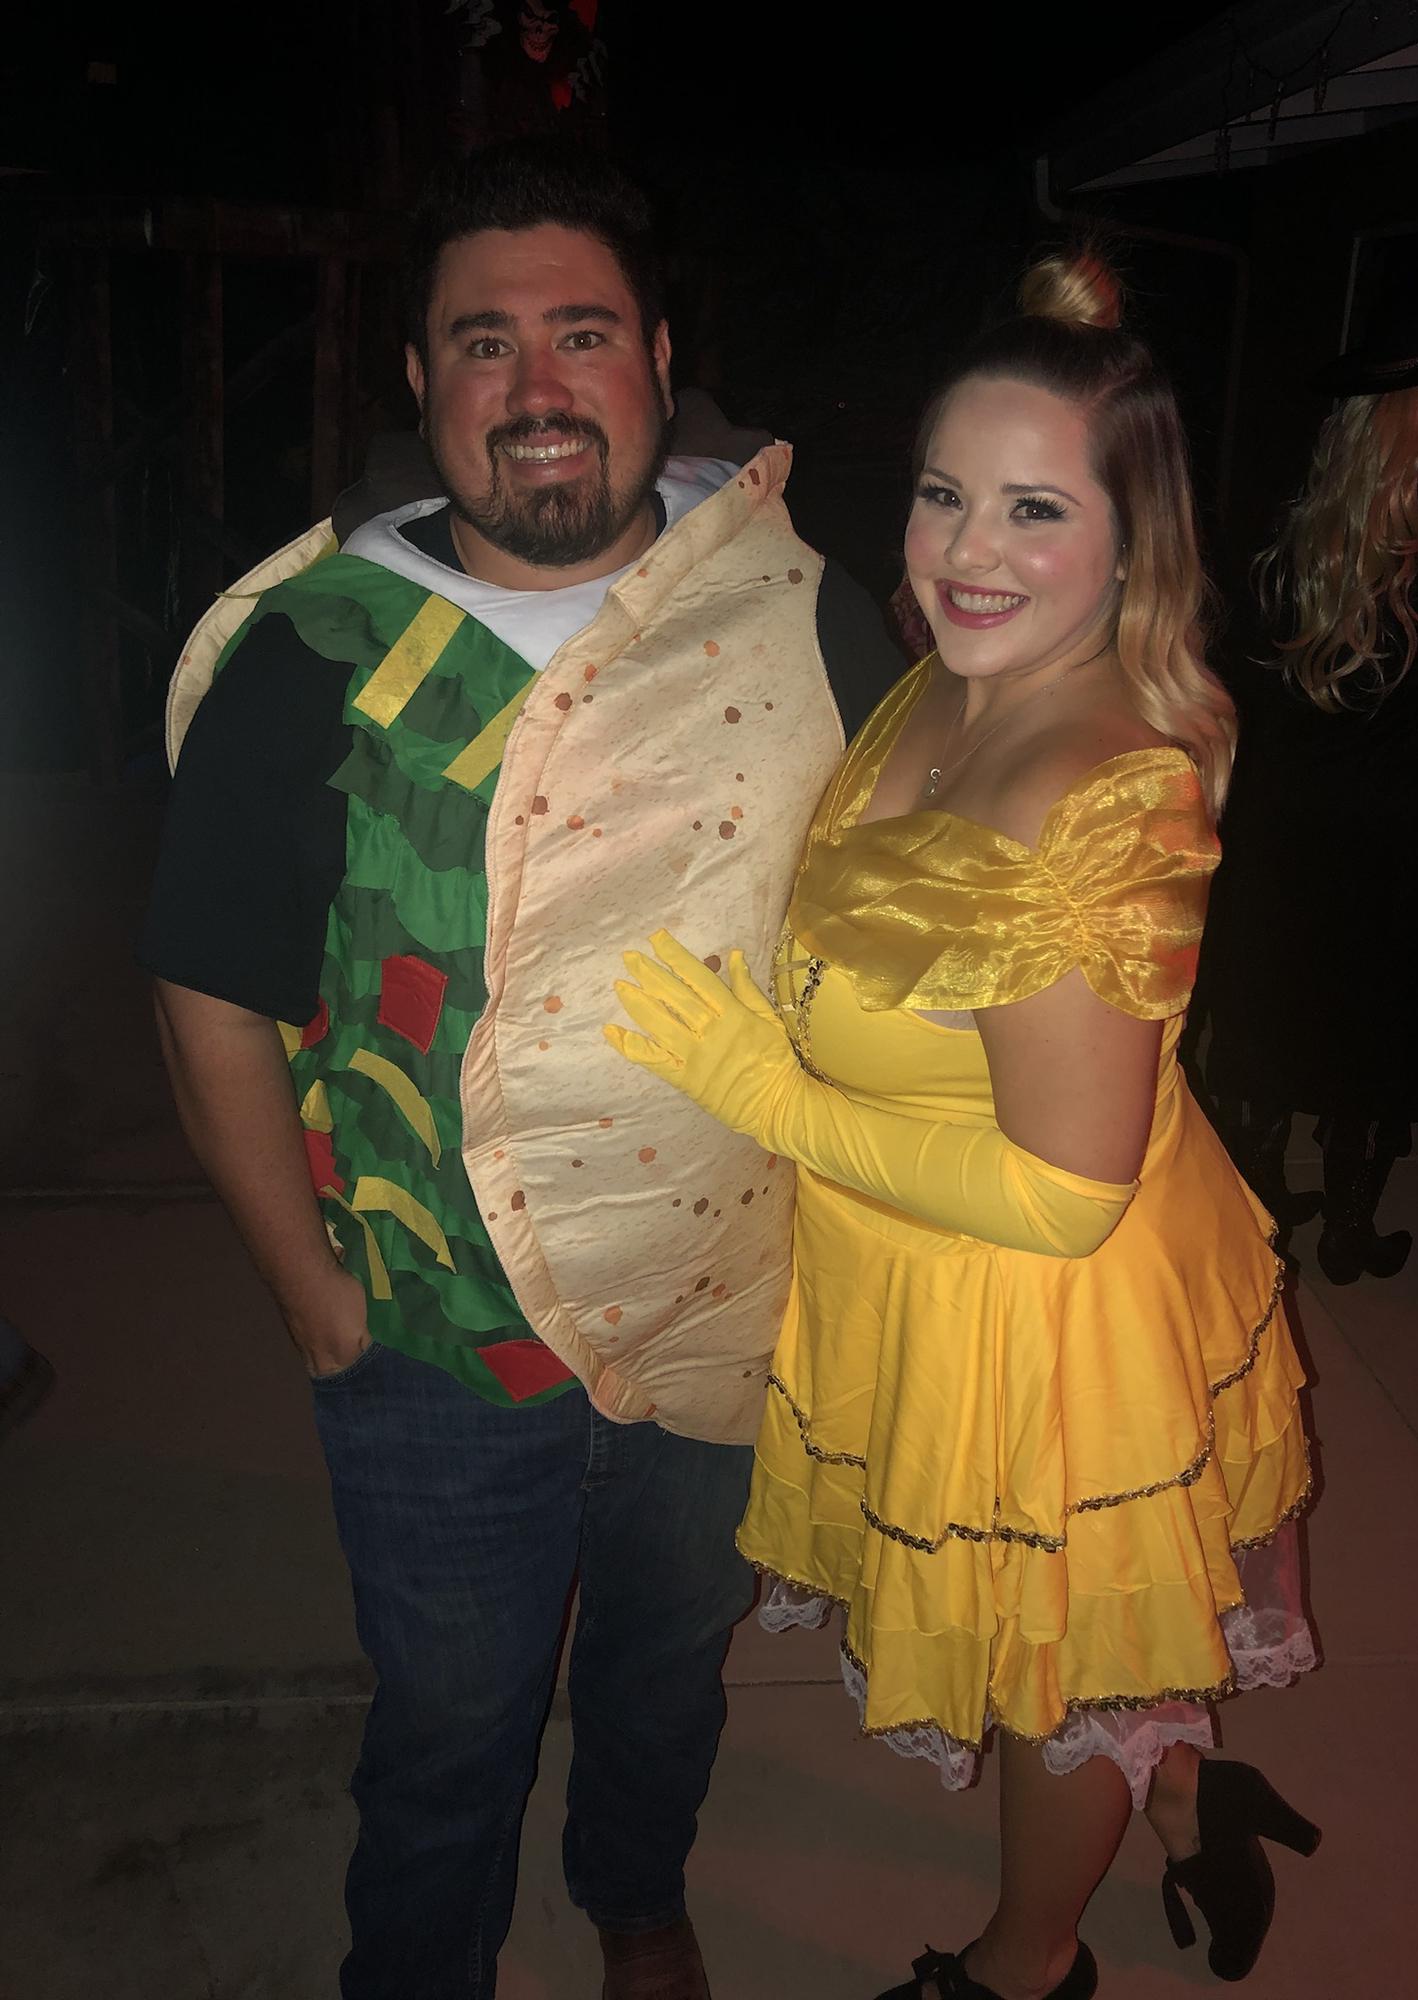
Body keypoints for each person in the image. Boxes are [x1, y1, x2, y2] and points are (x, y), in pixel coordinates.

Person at [139, 142, 901, 2000]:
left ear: (658, 356)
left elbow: (910, 930)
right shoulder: (318, 649)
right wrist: (315, 1304)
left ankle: (636, 1893)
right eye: (485, 343)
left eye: (582, 333)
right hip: (429, 1342)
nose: (538, 385)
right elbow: (207, 993)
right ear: (422, 380)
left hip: (726, 1302)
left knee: (667, 1668)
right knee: (448, 1731)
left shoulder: (793, 606)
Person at [607, 251, 1319, 2000]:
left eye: (1034, 509)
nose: (967, 551)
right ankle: (1187, 1800)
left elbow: (1064, 1193)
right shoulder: (953, 676)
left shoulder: (1101, 794)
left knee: (1055, 1676)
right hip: (922, 1269)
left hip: (1036, 1315)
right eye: (944, 494)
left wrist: (774, 1095)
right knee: (1091, 1659)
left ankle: (1024, 1967)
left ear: (1134, 544)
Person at [1193, 265, 1418, 1282]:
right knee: (1376, 1031)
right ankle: (1350, 1233)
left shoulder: (1303, 520)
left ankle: (1259, 1209)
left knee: (1272, 1008)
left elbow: (1249, 675)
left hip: (1286, 822)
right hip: (1405, 840)